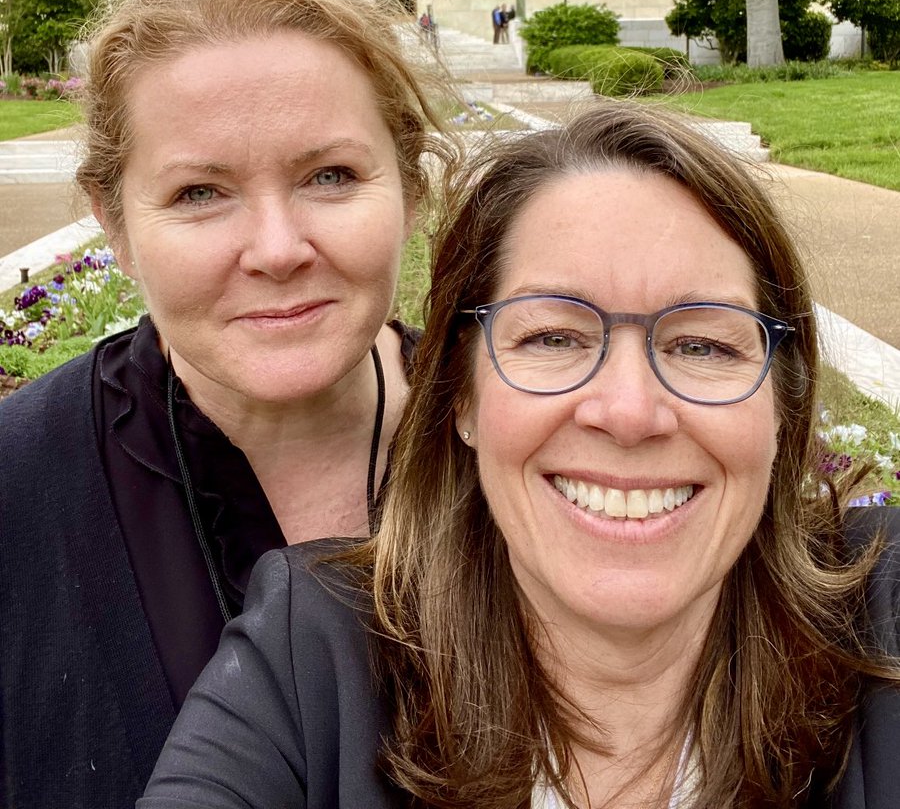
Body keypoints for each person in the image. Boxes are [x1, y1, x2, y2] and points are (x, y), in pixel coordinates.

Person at [140, 102, 900, 809]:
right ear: (462, 396)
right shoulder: (315, 658)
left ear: (783, 403)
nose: (630, 412)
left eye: (702, 344)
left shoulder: (884, 617)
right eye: (554, 339)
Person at [0, 0, 450, 809]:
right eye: (199, 194)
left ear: (409, 186)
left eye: (330, 174)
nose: (278, 250)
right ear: (115, 224)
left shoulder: (533, 446)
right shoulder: (17, 489)